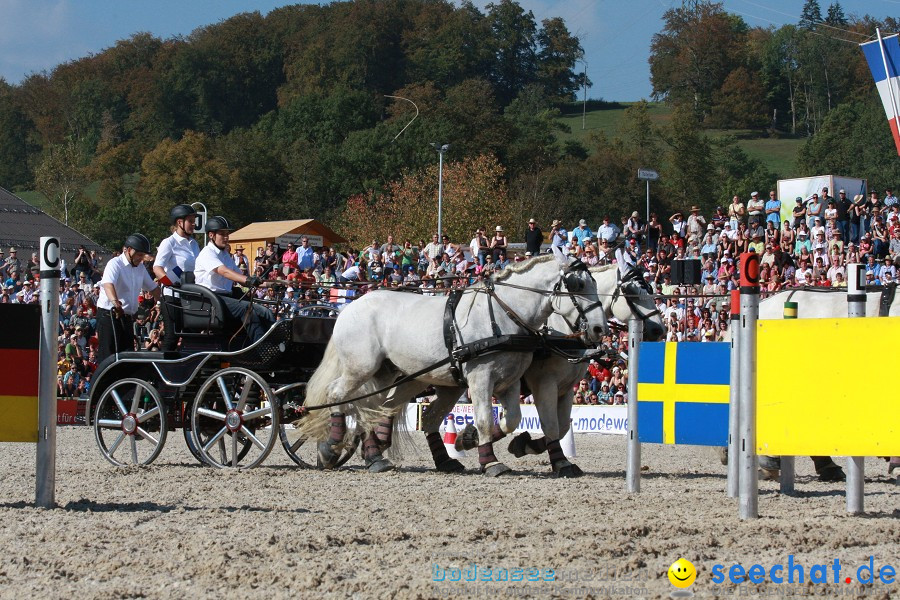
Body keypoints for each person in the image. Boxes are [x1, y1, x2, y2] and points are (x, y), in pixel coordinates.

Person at [195, 216, 275, 345]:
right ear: (211, 235)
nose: (226, 237)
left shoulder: (225, 255)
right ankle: (261, 349)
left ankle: (275, 344)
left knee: (265, 312)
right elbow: (224, 272)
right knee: (246, 309)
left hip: (226, 298)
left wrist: (270, 284)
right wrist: (249, 280)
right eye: (222, 234)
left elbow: (240, 277)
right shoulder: (207, 253)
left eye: (227, 234)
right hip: (211, 300)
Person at [96, 234, 161, 362]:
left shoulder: (140, 268)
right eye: (139, 254)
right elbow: (108, 284)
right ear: (128, 250)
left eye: (143, 255)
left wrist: (165, 303)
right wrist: (116, 303)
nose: (141, 258)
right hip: (110, 315)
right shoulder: (115, 264)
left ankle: (124, 382)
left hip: (126, 317)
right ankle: (106, 382)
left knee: (127, 356)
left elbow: (153, 288)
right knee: (109, 357)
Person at [153, 204, 201, 352]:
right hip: (172, 296)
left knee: (192, 334)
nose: (194, 224)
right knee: (172, 336)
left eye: (194, 221)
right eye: (190, 221)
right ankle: (161, 371)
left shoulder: (194, 244)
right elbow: (157, 267)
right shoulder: (169, 243)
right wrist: (169, 284)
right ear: (180, 223)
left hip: (191, 295)